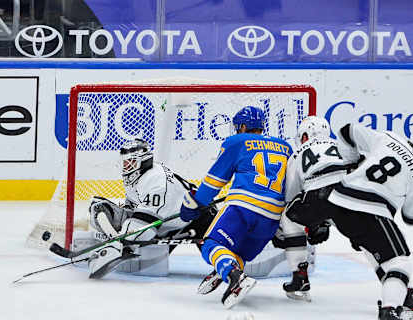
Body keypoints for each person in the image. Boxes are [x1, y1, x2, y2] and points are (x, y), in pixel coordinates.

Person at [284, 121, 413, 320]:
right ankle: (391, 309)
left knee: (372, 245)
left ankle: (299, 274)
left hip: (338, 199)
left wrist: (352, 162)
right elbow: (412, 217)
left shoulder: (388, 138)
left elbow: (347, 130)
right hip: (371, 207)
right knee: (399, 263)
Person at [179, 106, 293, 308]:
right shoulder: (285, 147)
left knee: (211, 244)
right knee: (238, 253)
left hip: (243, 207)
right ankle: (227, 267)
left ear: (241, 126)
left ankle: (233, 275)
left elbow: (214, 181)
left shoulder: (236, 142)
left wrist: (196, 204)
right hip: (273, 216)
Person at [85, 139, 217, 279]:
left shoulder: (156, 183)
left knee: (217, 253)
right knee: (99, 206)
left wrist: (118, 244)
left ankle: (233, 265)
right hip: (169, 221)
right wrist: (116, 236)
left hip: (201, 218)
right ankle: (114, 240)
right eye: (124, 163)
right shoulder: (139, 175)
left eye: (130, 163)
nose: (126, 167)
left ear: (143, 161)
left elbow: (142, 231)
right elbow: (134, 209)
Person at [276, 116, 350, 301]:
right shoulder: (342, 146)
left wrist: (310, 223)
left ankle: (299, 276)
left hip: (320, 197)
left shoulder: (298, 152)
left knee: (289, 218)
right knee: (370, 239)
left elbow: (291, 196)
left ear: (305, 136)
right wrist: (324, 223)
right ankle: (396, 282)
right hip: (351, 198)